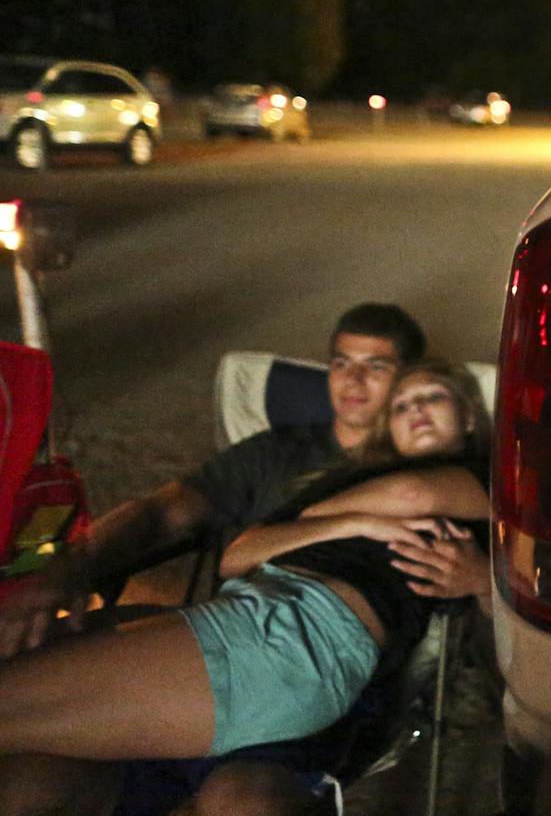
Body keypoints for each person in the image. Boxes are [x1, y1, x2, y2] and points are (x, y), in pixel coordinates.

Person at [0, 304, 487, 814]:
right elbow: (175, 519)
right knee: (27, 790)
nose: (354, 381)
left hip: (293, 656)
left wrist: (478, 580)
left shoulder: (453, 477)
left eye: (379, 367)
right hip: (227, 641)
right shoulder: (280, 454)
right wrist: (69, 566)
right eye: (341, 363)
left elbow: (427, 507)